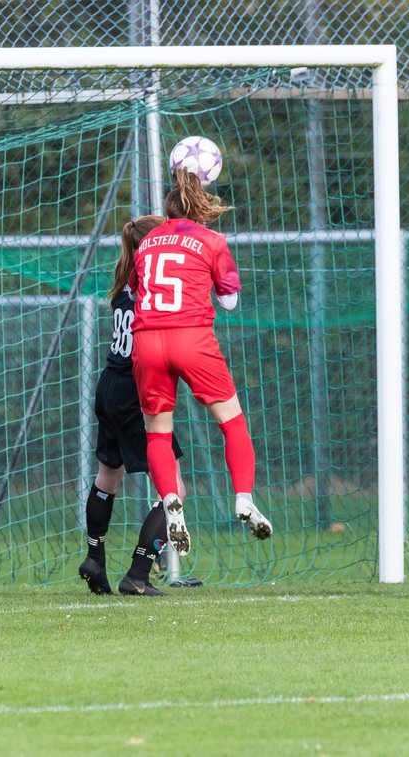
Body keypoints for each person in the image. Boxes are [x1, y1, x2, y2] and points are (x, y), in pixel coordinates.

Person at [130, 165, 271, 556]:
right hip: (191, 337)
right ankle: (243, 498)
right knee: (233, 422)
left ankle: (171, 501)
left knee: (157, 433)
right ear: (201, 207)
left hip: (146, 340)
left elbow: (136, 290)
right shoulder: (212, 240)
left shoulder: (145, 242)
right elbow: (229, 300)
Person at [80, 215, 199, 598]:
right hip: (135, 391)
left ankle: (94, 558)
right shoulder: (155, 291)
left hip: (109, 385)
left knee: (106, 477)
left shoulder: (123, 286)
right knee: (175, 486)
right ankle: (138, 572)